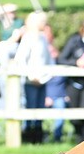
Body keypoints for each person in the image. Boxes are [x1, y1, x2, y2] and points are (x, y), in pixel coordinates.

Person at [13, 11, 55, 144]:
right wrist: (31, 76)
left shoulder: (42, 38)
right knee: (30, 107)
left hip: (42, 79)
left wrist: (48, 75)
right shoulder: (28, 38)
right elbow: (21, 59)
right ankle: (28, 135)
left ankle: (38, 136)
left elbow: (48, 59)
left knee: (40, 108)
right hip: (31, 80)